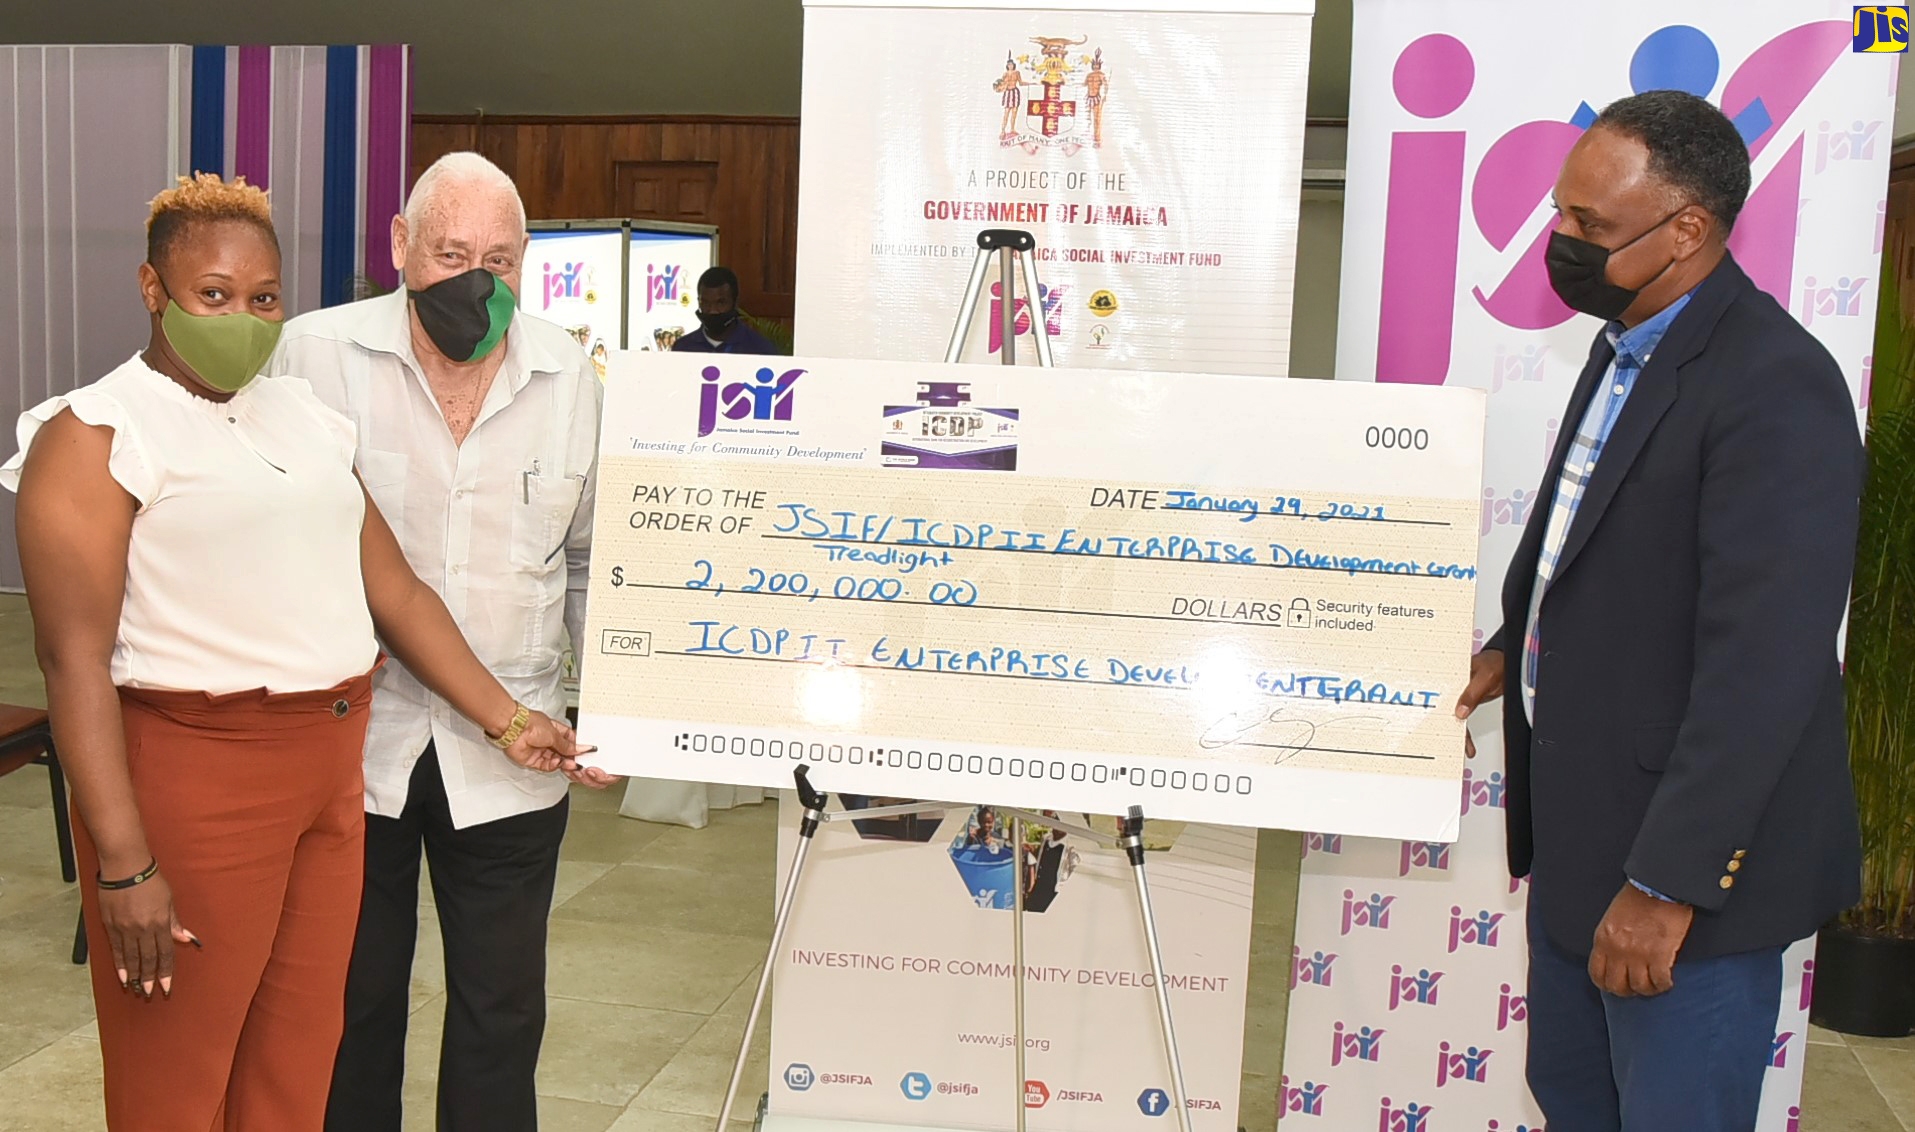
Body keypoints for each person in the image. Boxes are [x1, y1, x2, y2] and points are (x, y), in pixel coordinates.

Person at [5, 173, 584, 1131]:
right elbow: (72, 663)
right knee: (178, 1075)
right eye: (214, 295)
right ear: (155, 290)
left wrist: (511, 719)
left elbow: (394, 591)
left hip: (329, 772)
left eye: (263, 297)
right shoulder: (95, 433)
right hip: (198, 769)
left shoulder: (303, 420)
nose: (243, 317)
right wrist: (122, 862)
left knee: (298, 1059)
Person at [1454, 91, 1863, 1132]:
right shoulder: (1626, 338)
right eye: (1562, 213)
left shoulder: (1776, 385)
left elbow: (1764, 667)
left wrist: (1665, 886)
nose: (1559, 243)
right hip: (1581, 844)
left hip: (1677, 891)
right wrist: (1516, 643)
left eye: (1589, 227)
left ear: (1686, 229)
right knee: (1577, 1105)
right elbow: (1603, 550)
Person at [266, 152, 613, 1132]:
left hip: (517, 745)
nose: (476, 280)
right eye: (451, 252)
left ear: (527, 263)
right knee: (350, 1003)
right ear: (399, 246)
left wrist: (609, 707)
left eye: (498, 261)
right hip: (350, 744)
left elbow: (589, 559)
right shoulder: (312, 357)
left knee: (502, 1012)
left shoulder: (567, 375)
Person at [668, 266, 778, 354]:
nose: (712, 310)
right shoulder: (683, 348)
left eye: (720, 303)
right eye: (705, 302)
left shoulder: (760, 349)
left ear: (735, 302)